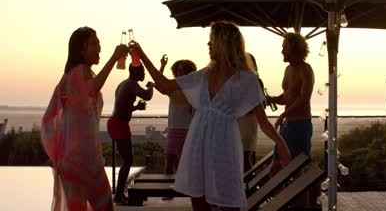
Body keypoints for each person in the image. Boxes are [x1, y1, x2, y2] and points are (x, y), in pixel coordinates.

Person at [130, 21, 291, 211]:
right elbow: (165, 85)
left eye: (211, 41)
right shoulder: (205, 74)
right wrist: (142, 54)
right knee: (198, 200)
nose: (208, 46)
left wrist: (281, 145)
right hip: (199, 141)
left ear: (223, 43)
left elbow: (263, 123)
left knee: (228, 199)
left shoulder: (247, 79)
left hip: (225, 144)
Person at [41, 26, 128, 211]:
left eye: (99, 43)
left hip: (76, 159)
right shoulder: (78, 73)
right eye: (94, 44)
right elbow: (92, 89)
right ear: (81, 49)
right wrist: (114, 58)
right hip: (82, 159)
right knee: (104, 206)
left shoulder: (77, 74)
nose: (99, 48)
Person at [268, 32, 314, 205]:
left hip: (299, 126)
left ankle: (300, 206)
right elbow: (287, 97)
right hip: (287, 126)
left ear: (293, 48)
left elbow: (304, 99)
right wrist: (272, 99)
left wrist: (283, 114)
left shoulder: (306, 69)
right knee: (274, 170)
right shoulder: (288, 69)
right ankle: (286, 203)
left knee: (296, 173)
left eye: (284, 47)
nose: (281, 51)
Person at [107, 64, 154, 205]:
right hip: (118, 124)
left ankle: (119, 194)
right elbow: (147, 95)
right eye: (142, 71)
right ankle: (118, 195)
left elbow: (123, 106)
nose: (144, 74)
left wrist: (136, 107)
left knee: (127, 160)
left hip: (118, 123)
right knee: (128, 160)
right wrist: (152, 85)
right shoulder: (131, 84)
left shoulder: (124, 84)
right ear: (134, 72)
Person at [158, 55, 197, 200]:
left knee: (184, 164)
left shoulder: (192, 90)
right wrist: (162, 65)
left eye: (182, 71)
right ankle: (167, 193)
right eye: (178, 71)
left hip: (188, 131)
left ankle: (186, 191)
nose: (179, 74)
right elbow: (160, 84)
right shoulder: (173, 90)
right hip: (174, 131)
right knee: (169, 161)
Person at [237, 53, 264, 172]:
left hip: (247, 122)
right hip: (238, 122)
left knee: (246, 156)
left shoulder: (255, 80)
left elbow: (260, 105)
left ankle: (249, 186)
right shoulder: (235, 80)